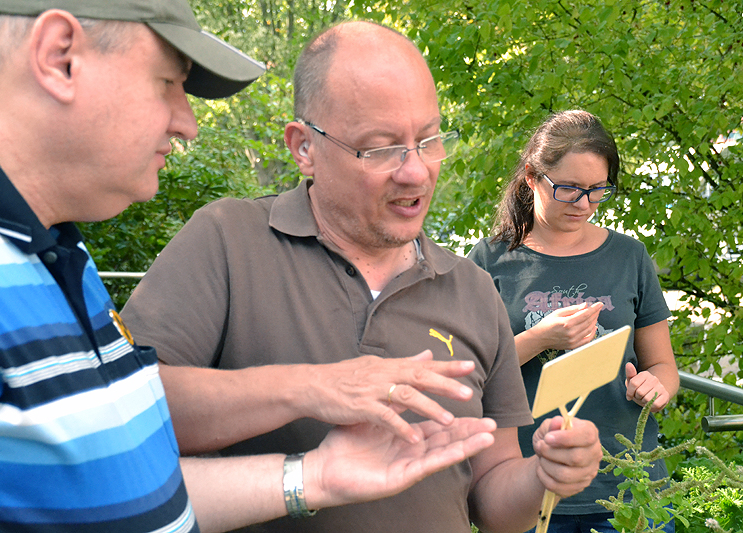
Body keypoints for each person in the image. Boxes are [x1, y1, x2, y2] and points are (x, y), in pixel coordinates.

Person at [0, 2, 505, 531]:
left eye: (427, 139)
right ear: (59, 55)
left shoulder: (49, 252)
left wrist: (311, 477)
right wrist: (310, 390)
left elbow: (122, 479)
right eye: (168, 83)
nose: (187, 123)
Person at [121, 21, 603, 533]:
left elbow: (492, 500)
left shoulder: (473, 288)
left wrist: (544, 476)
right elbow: (120, 416)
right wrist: (310, 386)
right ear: (303, 147)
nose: (415, 172)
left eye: (428, 139)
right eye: (380, 148)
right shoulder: (226, 240)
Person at [468, 109, 680, 533]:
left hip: (631, 488)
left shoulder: (629, 257)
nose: (583, 204)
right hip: (528, 491)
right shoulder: (489, 261)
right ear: (532, 177)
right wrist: (539, 338)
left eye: (597, 190)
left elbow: (665, 368)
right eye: (568, 189)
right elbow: (469, 374)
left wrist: (656, 387)